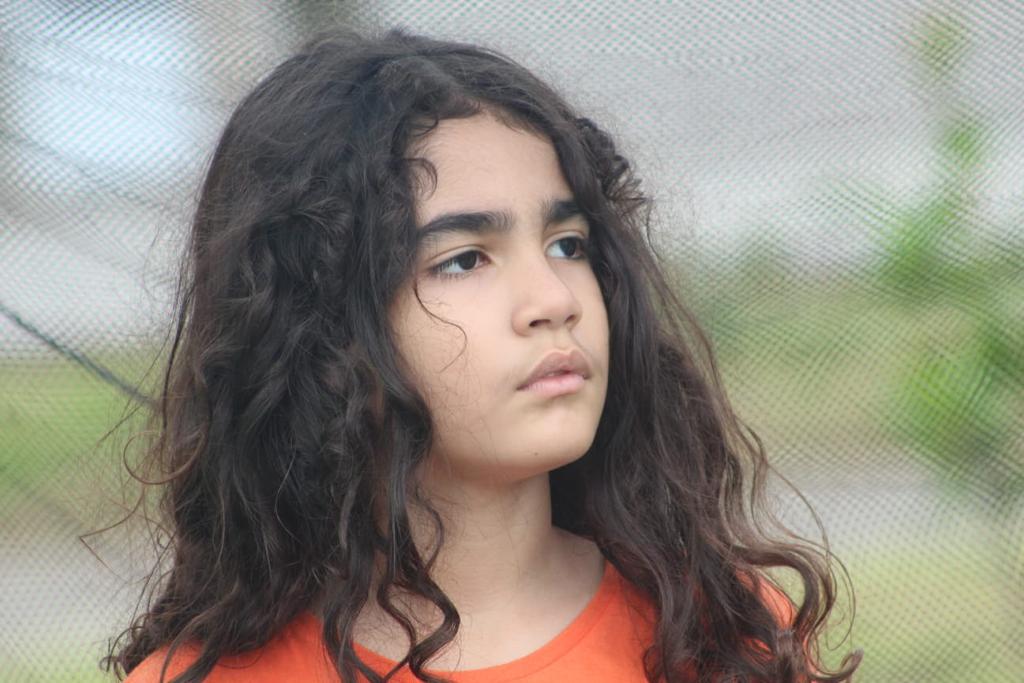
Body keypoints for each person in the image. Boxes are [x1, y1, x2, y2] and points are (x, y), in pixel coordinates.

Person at [106, 26, 862, 683]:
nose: (554, 299)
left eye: (568, 244)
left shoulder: (723, 631)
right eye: (466, 259)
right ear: (322, 323)